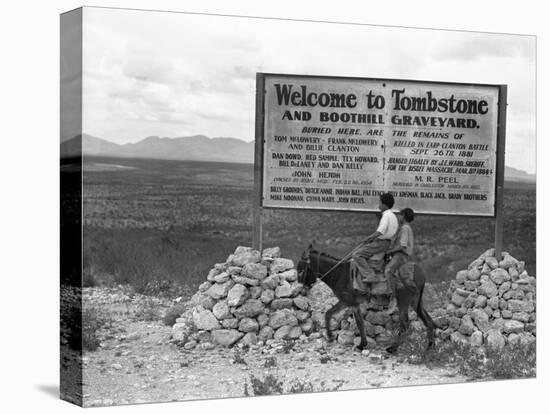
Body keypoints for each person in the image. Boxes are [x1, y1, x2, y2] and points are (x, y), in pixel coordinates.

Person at [351, 193, 398, 285]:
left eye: (380, 202)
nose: (379, 205)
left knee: (357, 254)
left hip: (381, 243)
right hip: (387, 242)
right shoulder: (393, 216)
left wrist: (369, 238)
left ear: (384, 204)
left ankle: (370, 275)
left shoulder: (386, 215)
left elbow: (381, 231)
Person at [384, 207, 415, 313]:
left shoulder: (405, 228)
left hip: (401, 255)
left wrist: (389, 252)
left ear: (404, 216)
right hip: (398, 255)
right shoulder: (405, 227)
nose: (399, 217)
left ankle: (392, 299)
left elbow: (402, 246)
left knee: (388, 271)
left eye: (400, 215)